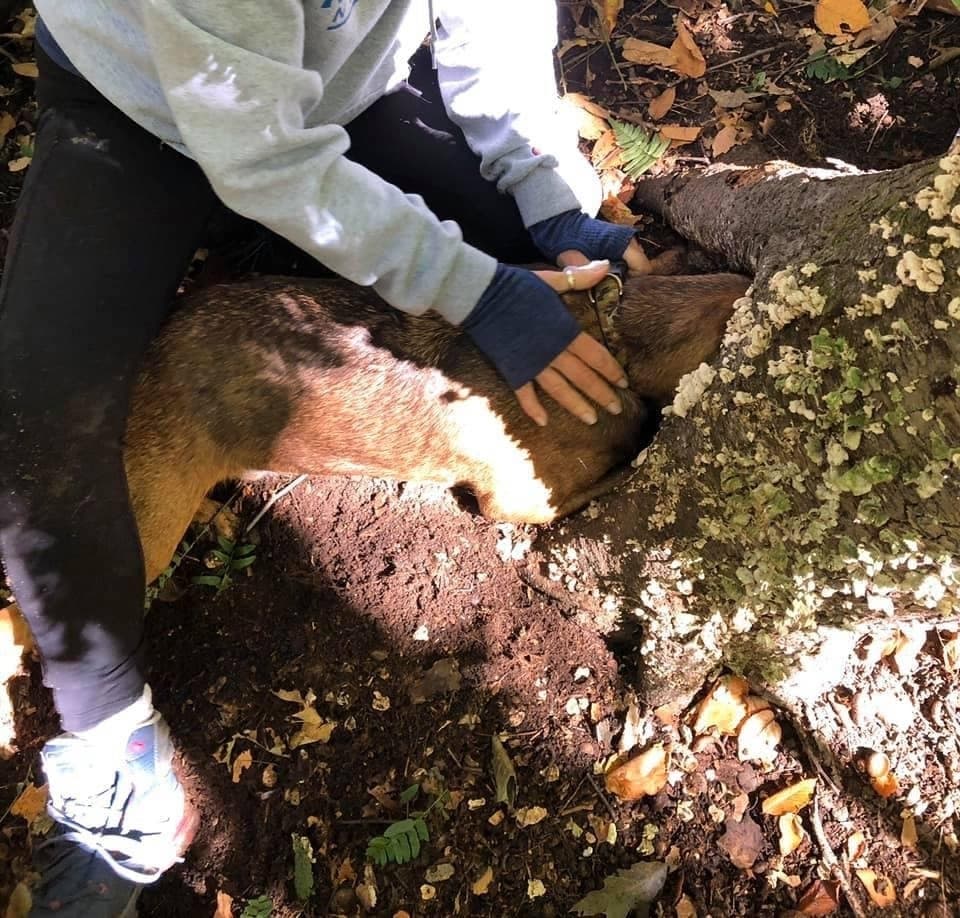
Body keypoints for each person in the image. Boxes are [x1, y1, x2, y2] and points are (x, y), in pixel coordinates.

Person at [0, 1, 652, 914]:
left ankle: (269, 242)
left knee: (525, 268)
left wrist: (548, 208)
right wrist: (476, 289)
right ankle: (116, 755)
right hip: (135, 104)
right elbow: (261, 154)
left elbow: (492, 25)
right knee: (36, 443)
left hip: (341, 85)